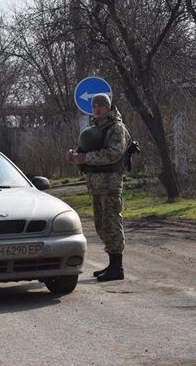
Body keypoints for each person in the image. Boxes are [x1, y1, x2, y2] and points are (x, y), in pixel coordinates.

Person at [66, 93, 131, 282]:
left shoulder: (116, 128)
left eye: (100, 106)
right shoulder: (96, 128)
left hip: (110, 184)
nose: (97, 109)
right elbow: (87, 151)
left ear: (108, 107)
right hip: (96, 184)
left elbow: (114, 153)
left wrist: (86, 158)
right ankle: (112, 264)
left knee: (111, 224)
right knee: (101, 226)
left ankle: (117, 267)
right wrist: (76, 155)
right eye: (94, 106)